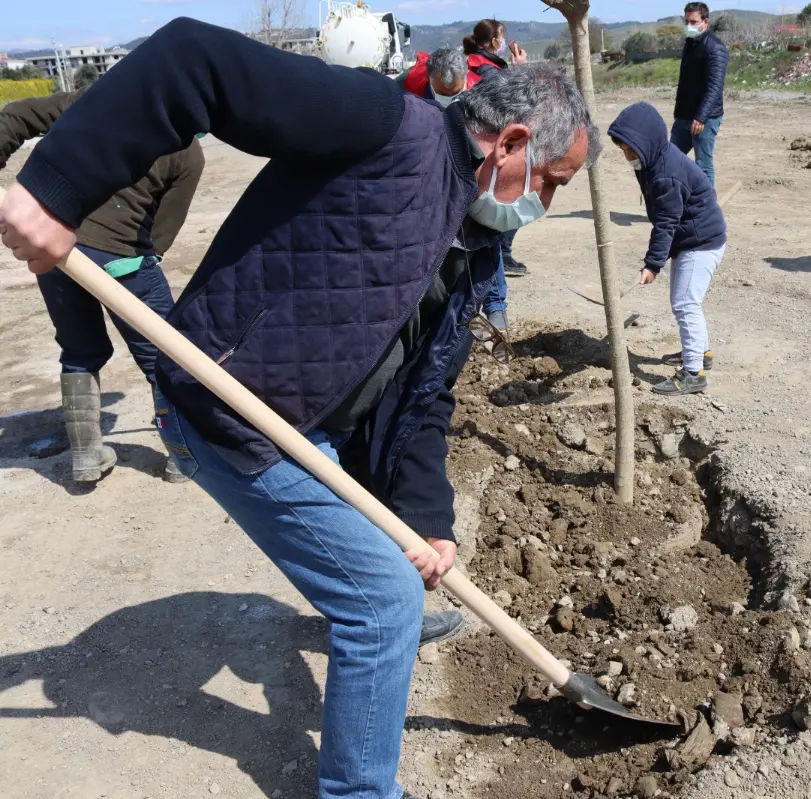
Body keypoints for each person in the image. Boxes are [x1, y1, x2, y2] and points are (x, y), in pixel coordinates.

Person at [0, 18, 598, 799]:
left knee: (393, 575)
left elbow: (428, 391)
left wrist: (426, 514)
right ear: (511, 142)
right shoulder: (385, 126)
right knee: (384, 605)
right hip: (229, 414)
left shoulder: (470, 239)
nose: (547, 201)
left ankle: (374, 590)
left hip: (319, 426)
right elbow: (193, 60)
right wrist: (59, 189)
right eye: (552, 180)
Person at [0, 87, 204, 483]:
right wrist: (137, 261)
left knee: (79, 350)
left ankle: (86, 456)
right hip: (123, 259)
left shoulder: (93, 100)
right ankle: (183, 455)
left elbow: (16, 116)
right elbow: (164, 227)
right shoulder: (187, 151)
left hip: (54, 248)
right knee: (164, 356)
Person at [608, 102, 726, 397]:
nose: (627, 157)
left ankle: (693, 373)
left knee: (685, 303)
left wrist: (652, 265)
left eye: (629, 150)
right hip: (692, 240)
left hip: (700, 244)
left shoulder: (665, 175)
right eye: (623, 150)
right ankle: (700, 354)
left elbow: (665, 224)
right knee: (686, 301)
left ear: (645, 142)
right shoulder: (653, 159)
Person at [463, 18, 531, 327]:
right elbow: (518, 113)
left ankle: (481, 308)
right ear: (494, 43)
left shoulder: (470, 67)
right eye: (501, 38)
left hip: (466, 159)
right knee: (493, 231)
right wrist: (519, 73)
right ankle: (495, 310)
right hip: (487, 163)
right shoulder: (492, 75)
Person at [671, 2, 728, 186]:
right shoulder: (690, 43)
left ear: (705, 22)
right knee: (671, 159)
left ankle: (707, 209)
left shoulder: (715, 48)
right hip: (684, 116)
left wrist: (701, 117)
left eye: (693, 21)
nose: (689, 26)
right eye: (687, 21)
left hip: (705, 118)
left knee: (703, 164)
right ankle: (676, 203)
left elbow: (714, 86)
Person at [400, 47, 477, 106]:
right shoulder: (405, 83)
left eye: (457, 92)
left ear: (466, 76)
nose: (450, 99)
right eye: (442, 93)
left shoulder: (479, 88)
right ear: (428, 78)